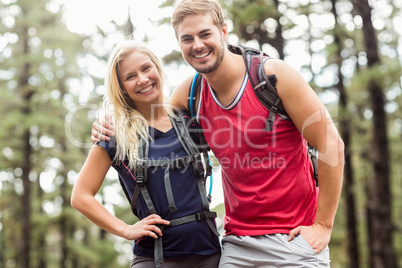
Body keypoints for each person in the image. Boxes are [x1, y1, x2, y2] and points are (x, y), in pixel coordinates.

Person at [91, 0, 344, 267]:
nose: (197, 44)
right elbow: (152, 117)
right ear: (179, 45)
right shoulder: (191, 93)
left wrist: (323, 225)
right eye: (187, 38)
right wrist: (109, 122)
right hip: (236, 244)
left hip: (294, 239)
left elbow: (331, 145)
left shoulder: (273, 76)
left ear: (224, 30)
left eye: (205, 34)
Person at [72, 40, 221, 268]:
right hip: (155, 259)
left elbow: (236, 164)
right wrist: (126, 229)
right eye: (130, 77)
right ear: (121, 87)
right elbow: (81, 196)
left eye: (146, 68)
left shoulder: (189, 121)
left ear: (158, 68)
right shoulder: (114, 133)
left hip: (210, 254)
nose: (142, 79)